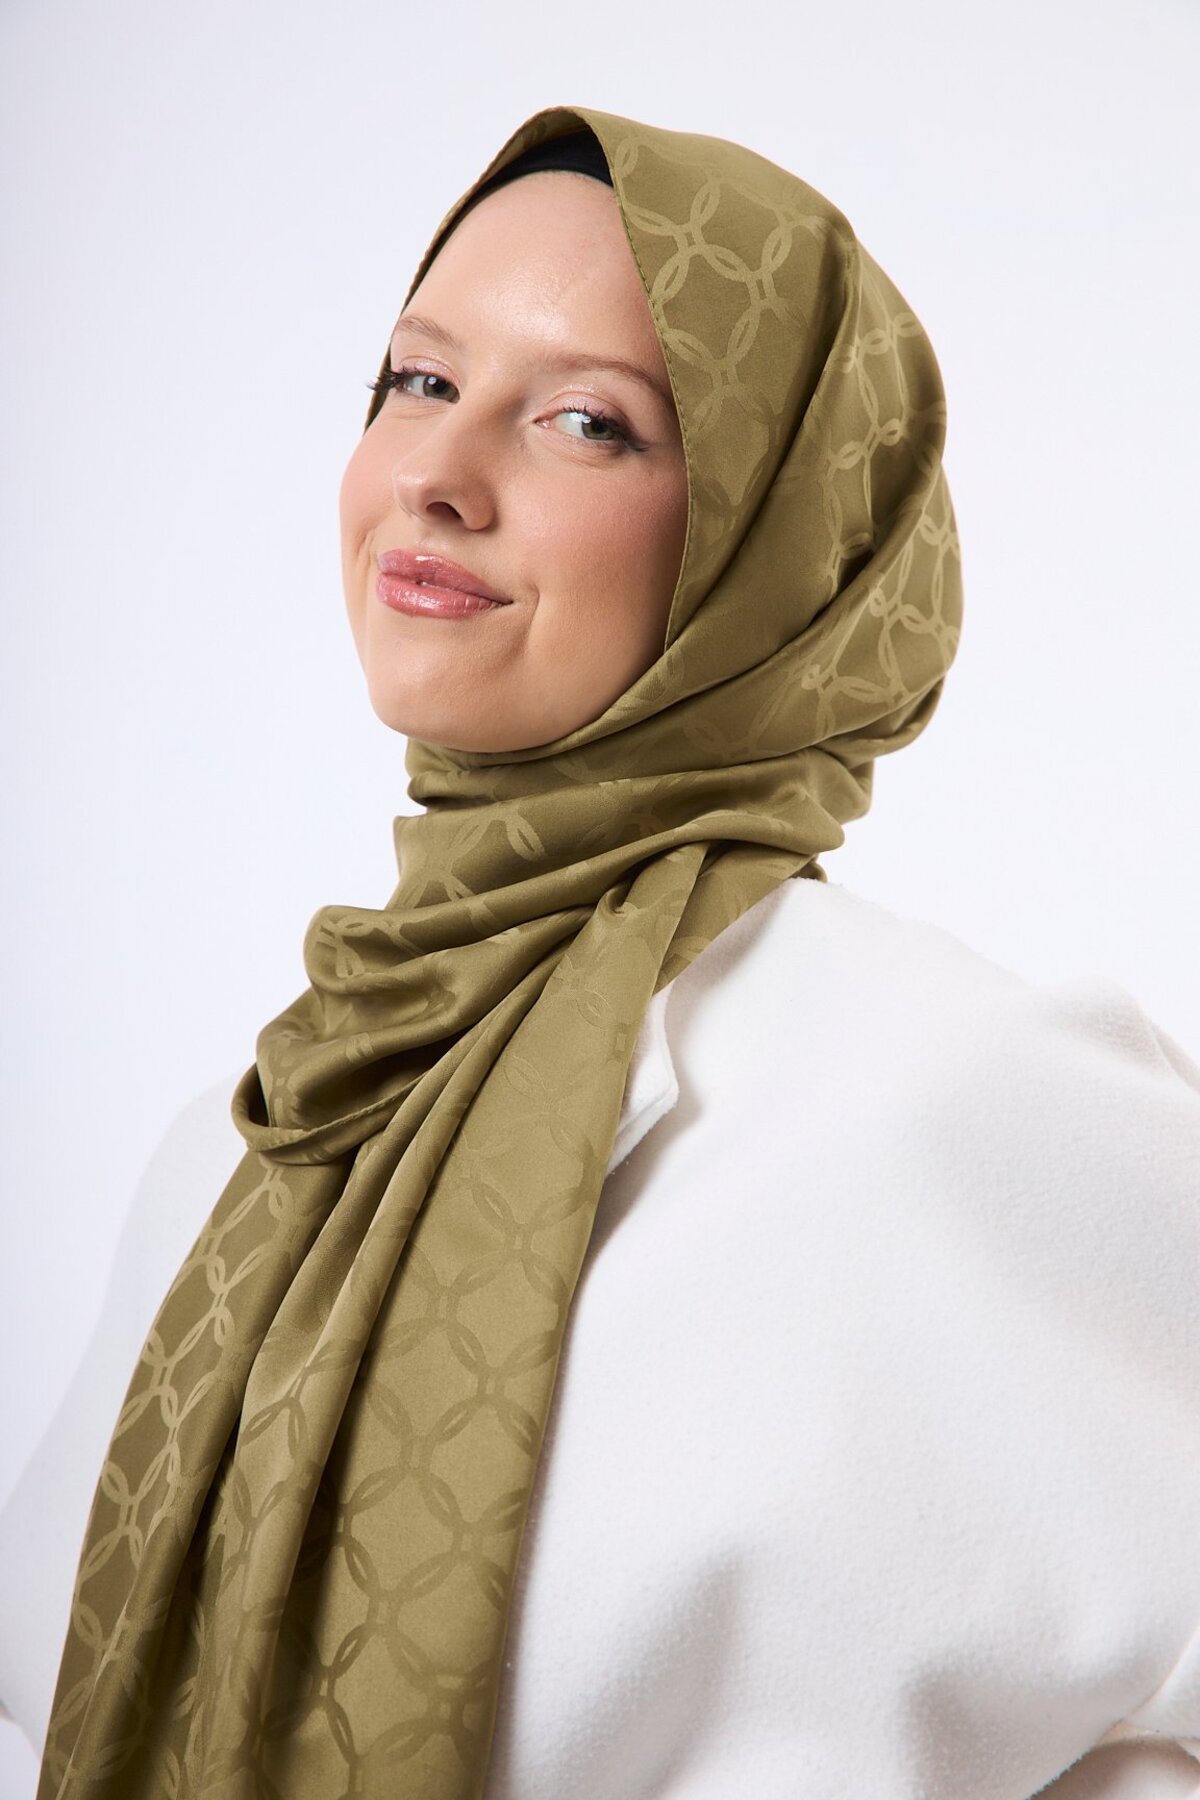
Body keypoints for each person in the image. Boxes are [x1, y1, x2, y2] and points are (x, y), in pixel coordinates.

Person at [4, 104, 1200, 1800]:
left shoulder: (955, 1103)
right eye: (418, 379)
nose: (436, 472)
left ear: (777, 540)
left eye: (585, 421)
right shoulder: (261, 1133)